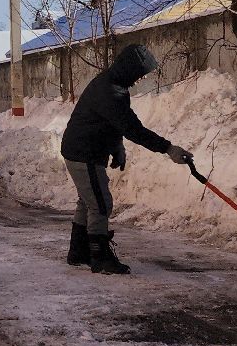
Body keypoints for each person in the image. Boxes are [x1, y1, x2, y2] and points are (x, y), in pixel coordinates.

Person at [58, 43, 193, 275]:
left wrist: (117, 147)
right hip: (84, 153)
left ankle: (79, 251)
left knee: (88, 200)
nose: (141, 79)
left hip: (83, 149)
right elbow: (133, 128)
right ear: (130, 69)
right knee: (100, 203)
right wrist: (168, 148)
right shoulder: (110, 91)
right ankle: (100, 257)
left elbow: (112, 122)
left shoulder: (112, 85)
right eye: (140, 74)